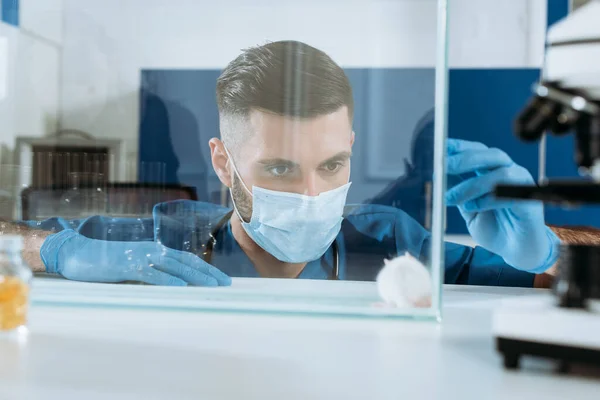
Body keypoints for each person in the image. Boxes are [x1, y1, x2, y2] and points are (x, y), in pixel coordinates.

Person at [5, 41, 598, 288]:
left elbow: (568, 280)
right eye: (281, 169)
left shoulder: (386, 239)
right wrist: (58, 250)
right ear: (224, 163)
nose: (315, 194)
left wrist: (546, 249)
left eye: (333, 164)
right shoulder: (169, 237)